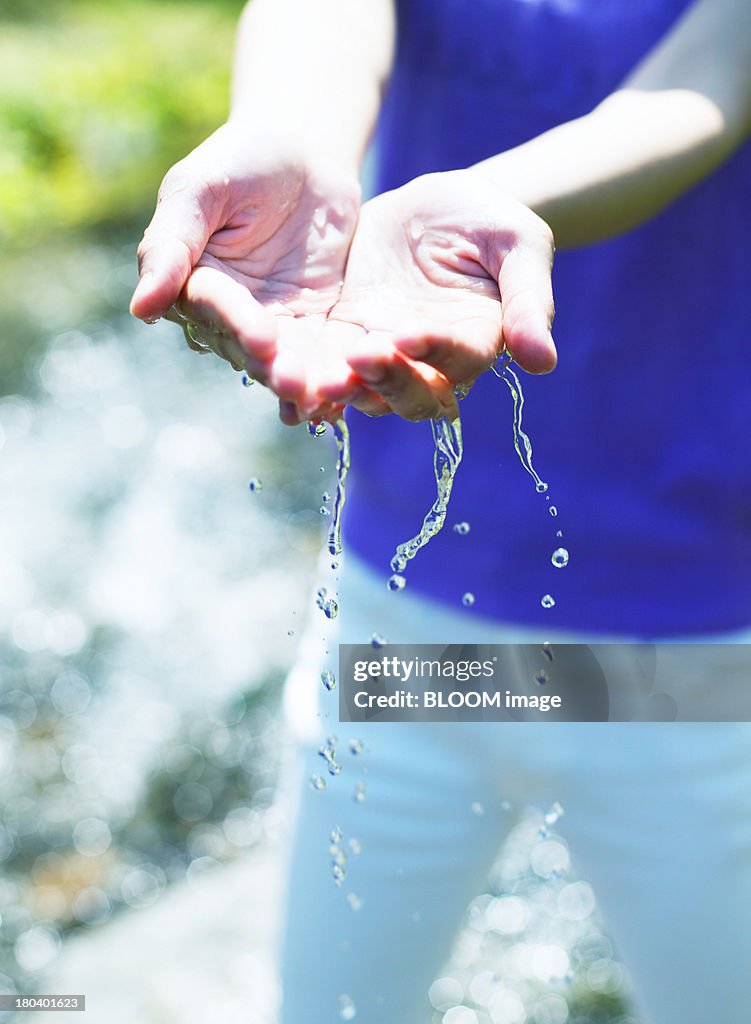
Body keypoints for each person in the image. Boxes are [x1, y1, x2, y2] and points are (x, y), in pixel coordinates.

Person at [130, 1, 751, 1021]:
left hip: (681, 660)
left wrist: (487, 198)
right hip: (407, 626)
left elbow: (708, 84)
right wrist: (287, 132)